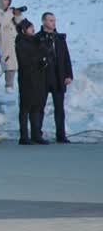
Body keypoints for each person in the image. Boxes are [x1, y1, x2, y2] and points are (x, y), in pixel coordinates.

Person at [36, 12, 73, 143]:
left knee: (59, 108)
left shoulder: (59, 38)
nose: (53, 23)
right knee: (40, 106)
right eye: (50, 20)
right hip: (44, 77)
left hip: (58, 77)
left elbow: (66, 58)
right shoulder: (38, 38)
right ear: (44, 21)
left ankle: (61, 134)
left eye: (54, 20)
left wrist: (68, 75)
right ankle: (37, 133)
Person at [15, 19, 49, 145]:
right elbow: (24, 61)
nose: (33, 30)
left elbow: (45, 52)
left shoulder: (36, 41)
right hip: (27, 78)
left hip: (39, 77)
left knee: (37, 106)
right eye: (30, 28)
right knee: (25, 107)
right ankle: (24, 136)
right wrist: (38, 58)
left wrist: (43, 59)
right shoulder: (21, 42)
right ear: (24, 30)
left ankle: (36, 133)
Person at [0, 0, 25, 92]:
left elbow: (21, 24)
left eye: (8, 0)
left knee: (12, 65)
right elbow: (1, 23)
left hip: (12, 42)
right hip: (1, 42)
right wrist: (10, 14)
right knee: (0, 65)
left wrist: (18, 15)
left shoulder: (10, 12)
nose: (6, 2)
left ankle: (9, 85)